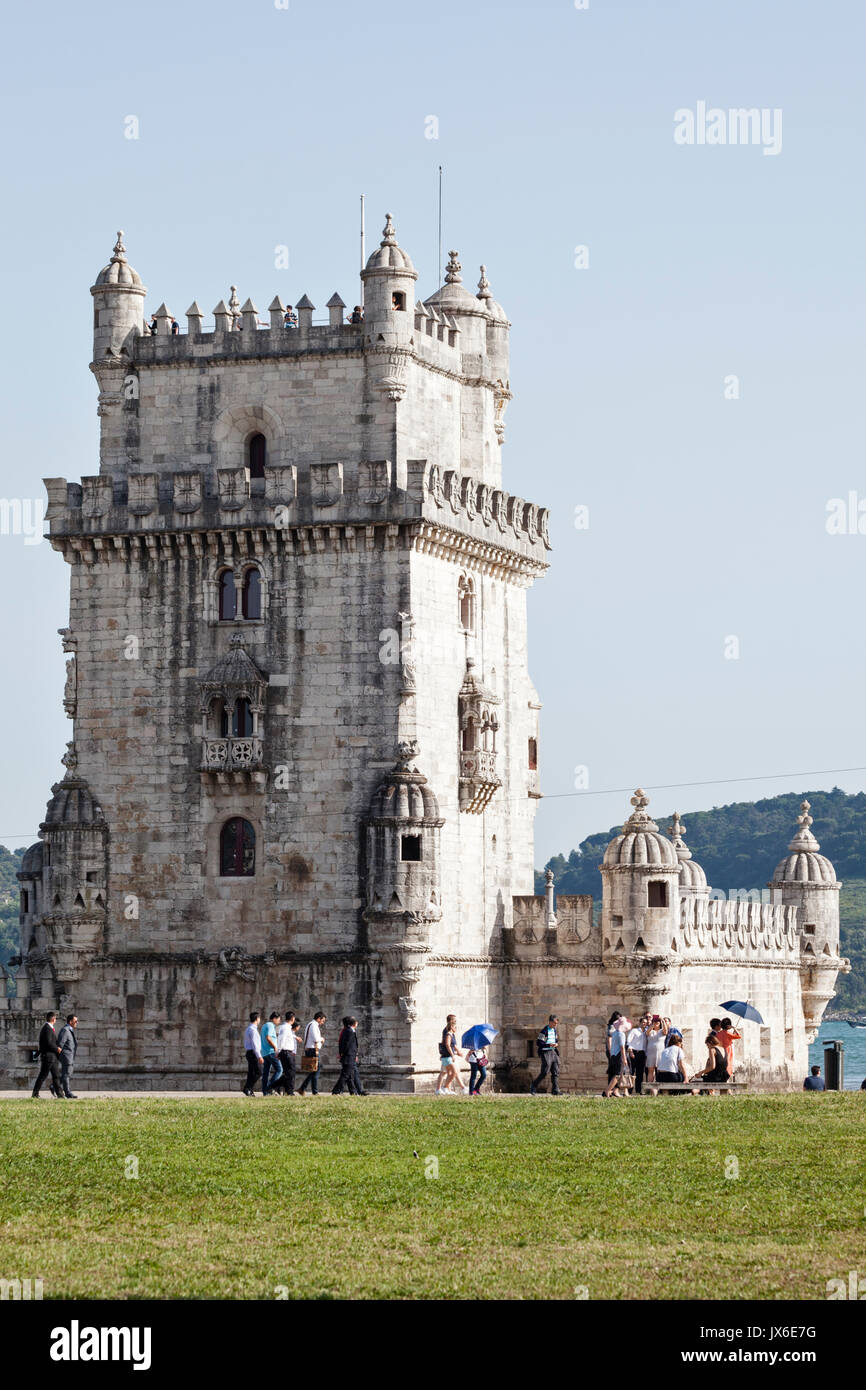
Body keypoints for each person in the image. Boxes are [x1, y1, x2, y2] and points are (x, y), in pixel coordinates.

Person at [31, 1011, 64, 1099]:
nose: (56, 1020)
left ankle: (60, 1094)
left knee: (56, 1076)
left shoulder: (49, 1028)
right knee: (43, 1075)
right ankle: (35, 1093)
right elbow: (49, 1043)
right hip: (48, 1057)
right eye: (55, 1018)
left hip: (52, 1057)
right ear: (53, 1019)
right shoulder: (47, 1029)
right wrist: (57, 1049)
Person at [332, 1016, 366, 1094]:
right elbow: (346, 1045)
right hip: (349, 1057)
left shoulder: (349, 1031)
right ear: (353, 1023)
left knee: (350, 1075)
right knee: (345, 1075)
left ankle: (353, 1091)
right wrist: (342, 1054)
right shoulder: (349, 1031)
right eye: (356, 1022)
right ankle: (336, 1091)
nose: (357, 1023)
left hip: (350, 1056)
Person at [530, 1014, 562, 1095]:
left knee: (556, 1070)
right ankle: (533, 1085)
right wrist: (549, 1045)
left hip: (553, 1052)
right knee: (545, 1071)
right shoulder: (544, 1031)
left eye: (556, 1023)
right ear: (550, 1022)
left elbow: (556, 1040)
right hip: (545, 1052)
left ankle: (555, 1090)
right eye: (555, 1023)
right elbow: (539, 1043)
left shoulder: (554, 1030)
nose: (556, 1025)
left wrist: (556, 1044)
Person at [435, 1014, 466, 1094]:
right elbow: (447, 1044)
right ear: (451, 1021)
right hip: (447, 1056)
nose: (456, 1023)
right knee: (447, 1072)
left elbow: (453, 1045)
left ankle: (447, 1089)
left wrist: (458, 1052)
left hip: (448, 1055)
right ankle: (441, 1088)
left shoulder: (451, 1033)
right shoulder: (447, 1031)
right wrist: (453, 1054)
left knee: (449, 1072)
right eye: (455, 1021)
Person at [297, 1011, 326, 1095]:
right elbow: (316, 1039)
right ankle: (312, 1091)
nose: (322, 1023)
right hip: (313, 1050)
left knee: (314, 1070)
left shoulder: (311, 1025)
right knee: (316, 1069)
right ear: (318, 1018)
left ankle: (303, 1088)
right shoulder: (313, 1025)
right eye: (322, 1020)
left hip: (311, 1049)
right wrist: (322, 1039)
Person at [603, 1015, 631, 1097]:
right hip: (619, 1055)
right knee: (617, 1075)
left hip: (613, 1055)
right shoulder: (621, 1034)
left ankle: (611, 1090)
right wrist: (624, 1058)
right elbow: (622, 1047)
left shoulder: (614, 1033)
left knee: (615, 1074)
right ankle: (607, 1090)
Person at [276, 1010, 300, 1095]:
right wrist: (278, 1051)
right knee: (290, 1072)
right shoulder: (285, 1028)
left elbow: (287, 1036)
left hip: (287, 1052)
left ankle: (286, 1090)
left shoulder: (287, 1028)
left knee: (289, 1072)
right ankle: (288, 1091)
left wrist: (295, 1037)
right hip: (286, 1052)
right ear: (292, 1018)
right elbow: (281, 1039)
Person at [260, 1012, 283, 1096]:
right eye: (279, 1020)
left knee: (266, 1073)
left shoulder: (264, 1026)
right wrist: (275, 1047)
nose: (279, 1022)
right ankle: (269, 1087)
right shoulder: (270, 1025)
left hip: (265, 1053)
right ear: (274, 1018)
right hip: (270, 1052)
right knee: (279, 1070)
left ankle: (265, 1092)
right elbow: (268, 1038)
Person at [56, 1013, 79, 1098]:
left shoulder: (69, 1030)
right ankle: (68, 1093)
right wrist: (60, 1055)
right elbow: (60, 1043)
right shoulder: (65, 1030)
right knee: (66, 1074)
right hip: (66, 1056)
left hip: (70, 1056)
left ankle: (54, 1086)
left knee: (67, 1073)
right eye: (75, 1021)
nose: (77, 1022)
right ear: (70, 1021)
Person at [627, 1015, 649, 1095]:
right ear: (640, 1023)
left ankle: (638, 1090)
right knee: (632, 1072)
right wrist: (631, 1052)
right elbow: (629, 1041)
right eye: (643, 1022)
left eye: (646, 1023)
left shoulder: (646, 1033)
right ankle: (629, 1091)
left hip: (642, 1054)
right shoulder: (634, 1031)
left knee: (640, 1073)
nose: (644, 1024)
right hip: (634, 1052)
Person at [243, 1010, 262, 1096]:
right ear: (257, 1019)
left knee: (252, 1072)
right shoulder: (253, 1030)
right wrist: (259, 1056)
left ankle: (249, 1089)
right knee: (258, 1072)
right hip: (253, 1053)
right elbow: (255, 1045)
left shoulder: (248, 1029)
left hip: (250, 1052)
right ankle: (248, 1088)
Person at [644, 1015, 666, 1084]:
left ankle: (660, 1087)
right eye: (655, 1021)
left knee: (660, 1070)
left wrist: (662, 1021)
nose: (657, 1022)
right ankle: (650, 1087)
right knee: (651, 1070)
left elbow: (666, 1030)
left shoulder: (662, 1031)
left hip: (660, 1053)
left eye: (658, 1021)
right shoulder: (650, 1031)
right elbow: (647, 1032)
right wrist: (653, 1024)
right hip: (651, 1053)